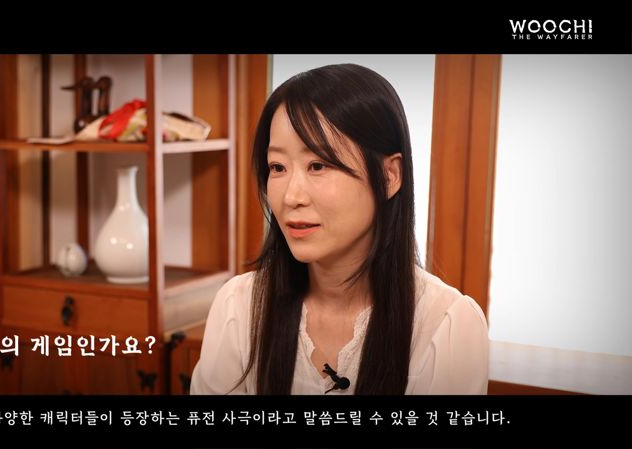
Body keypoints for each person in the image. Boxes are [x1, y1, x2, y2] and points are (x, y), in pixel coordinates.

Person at [190, 64, 489, 395]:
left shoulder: (446, 324)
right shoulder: (240, 306)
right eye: (277, 167)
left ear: (389, 176)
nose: (291, 197)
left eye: (318, 165)